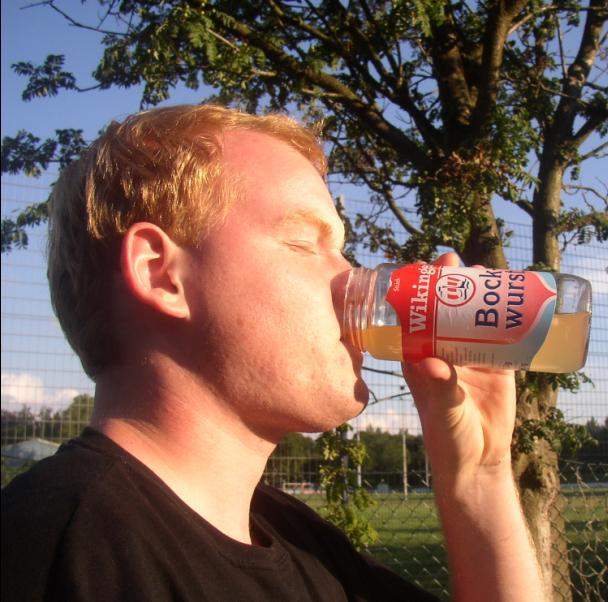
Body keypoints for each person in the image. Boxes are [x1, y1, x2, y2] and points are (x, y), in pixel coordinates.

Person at [1, 105, 541, 601]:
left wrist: (479, 476)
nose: (351, 277)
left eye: (343, 248)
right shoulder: (58, 557)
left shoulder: (301, 543)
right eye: (305, 243)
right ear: (160, 273)